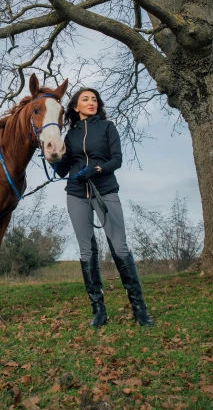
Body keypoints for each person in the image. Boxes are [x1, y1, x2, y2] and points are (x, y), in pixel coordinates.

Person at [55, 88, 154, 328]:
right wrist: (52, 155)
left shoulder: (108, 127)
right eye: (85, 99)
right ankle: (98, 311)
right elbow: (61, 170)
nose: (91, 103)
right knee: (87, 251)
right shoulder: (70, 136)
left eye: (94, 99)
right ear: (75, 107)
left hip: (106, 191)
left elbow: (116, 159)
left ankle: (139, 310)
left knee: (119, 247)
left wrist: (96, 170)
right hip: (77, 194)